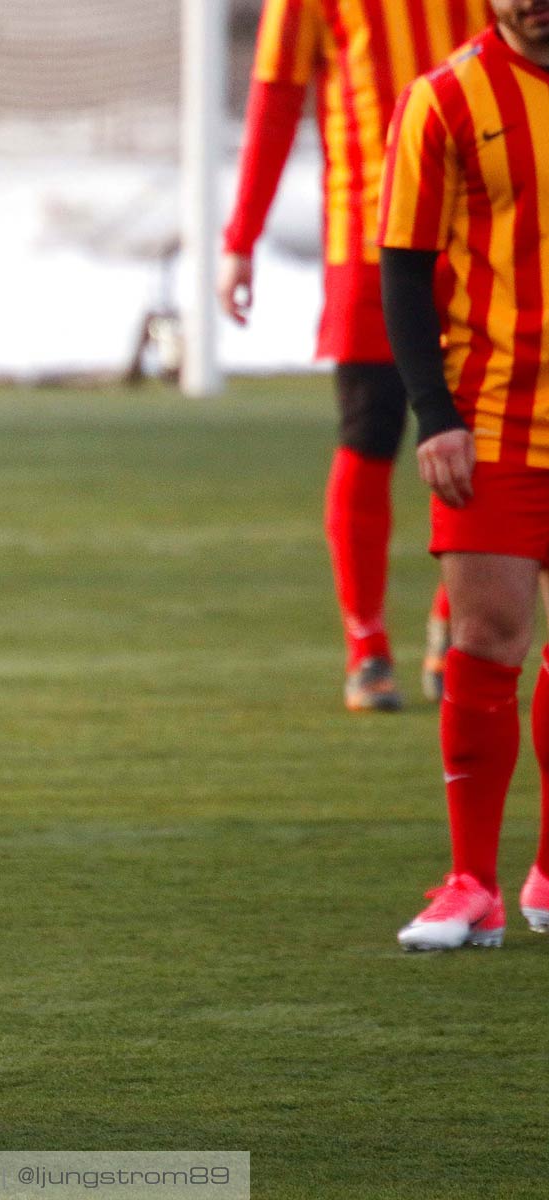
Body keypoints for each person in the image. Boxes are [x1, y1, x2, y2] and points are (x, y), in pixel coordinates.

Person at [219, 0, 486, 711]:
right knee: (370, 431)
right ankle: (366, 645)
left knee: (491, 428)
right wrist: (241, 237)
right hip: (367, 239)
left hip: (482, 231)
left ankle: (452, 614)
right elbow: (275, 102)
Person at [381, 0, 549, 950]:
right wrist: (435, 415)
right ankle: (470, 881)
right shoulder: (445, 98)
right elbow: (403, 267)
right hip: (493, 417)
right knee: (487, 637)